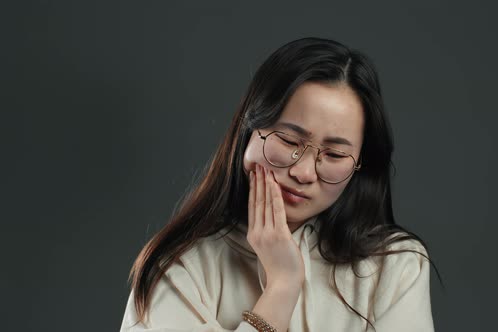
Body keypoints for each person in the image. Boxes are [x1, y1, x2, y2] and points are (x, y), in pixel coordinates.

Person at [120, 37, 436, 332]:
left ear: (359, 166)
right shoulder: (180, 267)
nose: (304, 172)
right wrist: (282, 286)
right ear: (248, 131)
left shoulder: (394, 265)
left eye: (335, 154)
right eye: (288, 140)